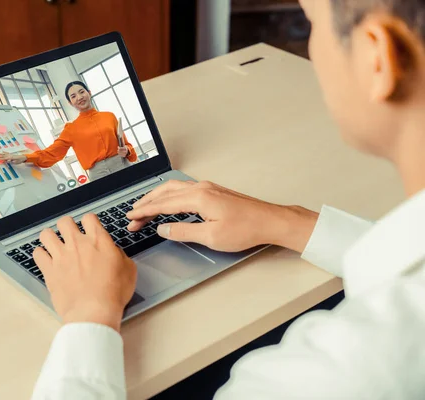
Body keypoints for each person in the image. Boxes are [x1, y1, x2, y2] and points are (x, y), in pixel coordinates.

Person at [31, 0, 425, 398]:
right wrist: (288, 221)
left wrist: (89, 315)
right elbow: (50, 154)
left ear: (378, 58)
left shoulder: (334, 376)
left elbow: (125, 146)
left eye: (312, 23)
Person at [0, 81, 137, 181]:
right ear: (70, 103)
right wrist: (25, 157)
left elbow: (128, 146)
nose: (79, 97)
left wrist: (127, 151)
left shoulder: (109, 116)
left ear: (89, 93)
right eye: (73, 96)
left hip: (123, 165)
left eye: (81, 92)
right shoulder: (71, 129)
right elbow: (52, 153)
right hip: (98, 174)